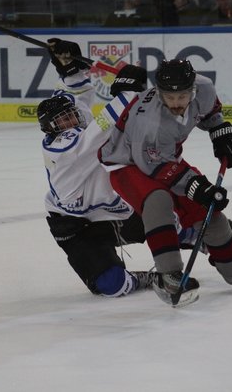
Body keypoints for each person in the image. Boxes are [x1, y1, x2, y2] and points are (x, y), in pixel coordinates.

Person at [99, 59, 232, 306]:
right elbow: (153, 167)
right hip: (126, 163)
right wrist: (195, 186)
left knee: (210, 211)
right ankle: (170, 274)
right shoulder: (150, 122)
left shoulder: (204, 87)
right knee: (158, 200)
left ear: (193, 89)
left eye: (182, 96)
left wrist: (220, 132)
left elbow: (210, 112)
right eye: (169, 97)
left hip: (164, 157)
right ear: (158, 92)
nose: (176, 103)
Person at [40, 38, 155, 297]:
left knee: (158, 215)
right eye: (62, 120)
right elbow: (99, 131)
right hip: (72, 226)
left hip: (103, 210)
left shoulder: (71, 123)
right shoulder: (64, 147)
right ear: (50, 129)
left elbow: (74, 97)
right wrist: (127, 93)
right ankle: (140, 279)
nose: (70, 120)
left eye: (70, 116)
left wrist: (70, 69)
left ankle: (199, 235)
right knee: (111, 286)